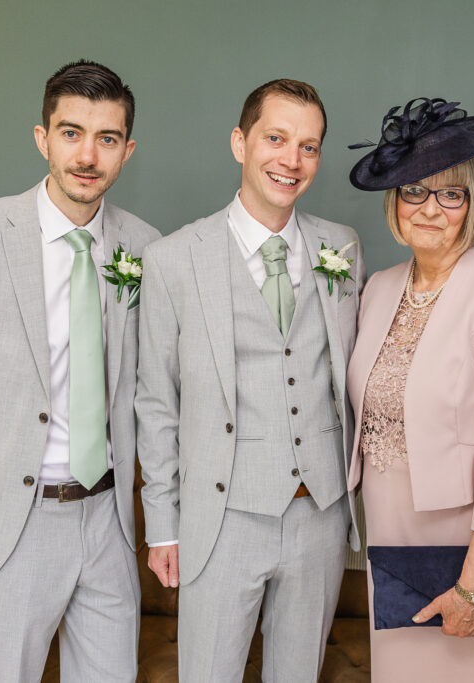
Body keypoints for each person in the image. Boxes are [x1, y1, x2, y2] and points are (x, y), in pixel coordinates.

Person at [0, 60, 159, 681]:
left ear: (127, 150)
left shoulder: (148, 248)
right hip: (9, 527)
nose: (87, 155)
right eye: (71, 133)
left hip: (108, 523)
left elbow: (154, 394)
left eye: (106, 138)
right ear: (42, 138)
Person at [135, 78, 365, 682]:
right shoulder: (174, 260)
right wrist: (162, 526)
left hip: (320, 511)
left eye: (309, 146)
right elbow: (157, 404)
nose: (291, 160)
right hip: (222, 514)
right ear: (240, 143)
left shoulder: (341, 246)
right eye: (276, 138)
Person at [345, 97, 474, 681]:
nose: (430, 209)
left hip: (465, 545)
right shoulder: (377, 289)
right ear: (395, 200)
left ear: (471, 203)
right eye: (415, 191)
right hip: (387, 532)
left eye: (450, 194)